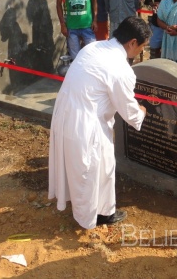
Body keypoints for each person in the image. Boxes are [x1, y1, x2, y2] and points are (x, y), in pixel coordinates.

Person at [48, 16, 150, 229]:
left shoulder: (92, 48)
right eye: (141, 47)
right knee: (93, 171)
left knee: (93, 168)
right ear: (132, 42)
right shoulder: (120, 69)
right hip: (87, 125)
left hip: (66, 114)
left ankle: (101, 211)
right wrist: (141, 111)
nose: (140, 52)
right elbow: (130, 113)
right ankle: (92, 217)